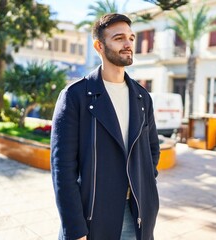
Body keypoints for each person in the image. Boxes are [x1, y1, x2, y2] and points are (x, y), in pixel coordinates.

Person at [51, 13, 160, 240]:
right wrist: (75, 229)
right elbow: (63, 170)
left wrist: (145, 187)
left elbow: (152, 151)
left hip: (137, 215)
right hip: (92, 218)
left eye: (131, 37)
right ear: (99, 46)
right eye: (119, 38)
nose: (128, 43)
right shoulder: (75, 96)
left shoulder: (142, 98)